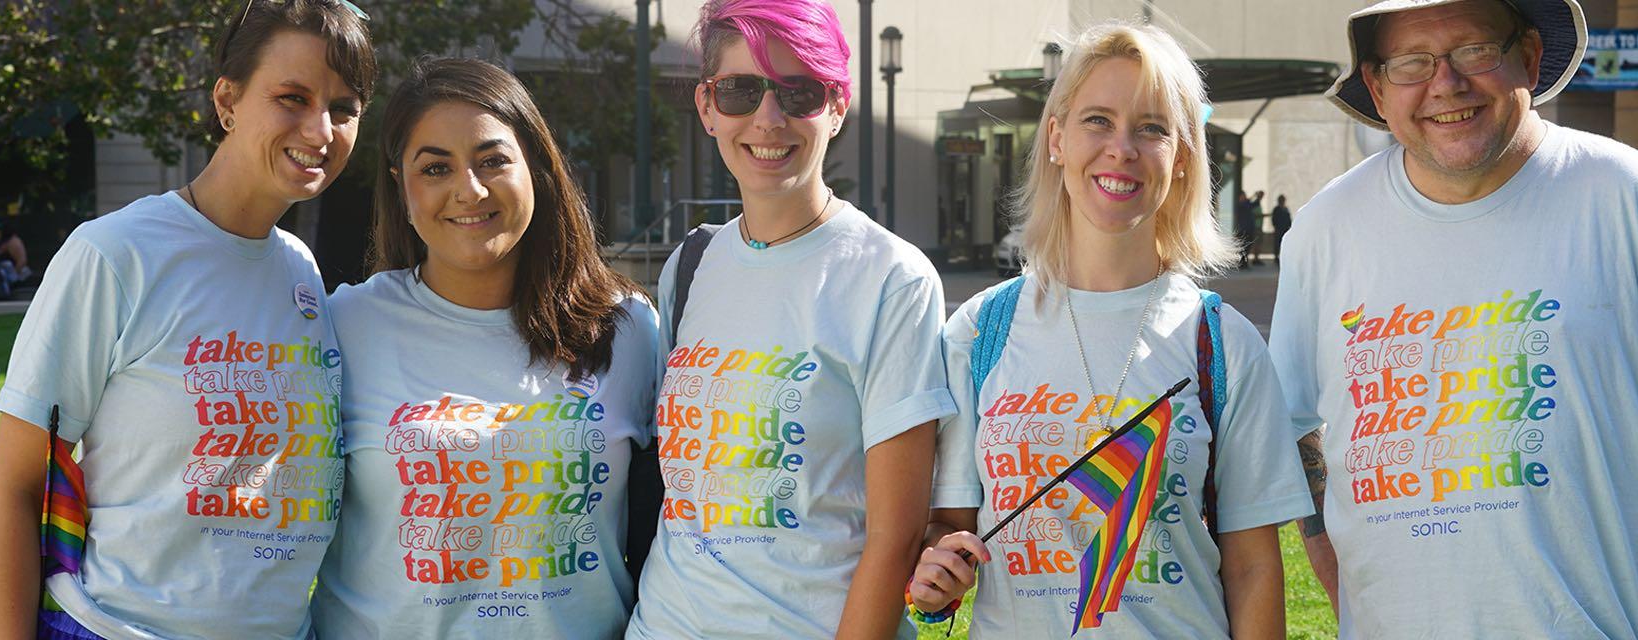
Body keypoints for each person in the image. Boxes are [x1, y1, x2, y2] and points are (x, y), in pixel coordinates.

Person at [1269, 0, 1638, 637]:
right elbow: (1294, 422)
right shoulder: (1325, 230)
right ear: (1376, 85)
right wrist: (1338, 577)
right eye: (1412, 62)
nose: (1446, 84)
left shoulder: (1631, 198)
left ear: (1528, 57)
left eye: (1474, 50)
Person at [0, 2, 374, 638]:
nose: (320, 129)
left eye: (344, 107)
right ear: (227, 101)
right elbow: (14, 484)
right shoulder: (115, 253)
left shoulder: (300, 269)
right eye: (292, 97)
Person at [906, 23, 1311, 639]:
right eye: (1098, 120)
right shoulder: (980, 331)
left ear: (1182, 158)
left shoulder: (1222, 342)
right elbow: (949, 524)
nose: (1122, 149)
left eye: (1152, 128)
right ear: (1056, 138)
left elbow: (1254, 568)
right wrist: (938, 569)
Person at [625, 0, 952, 637]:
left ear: (837, 106)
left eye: (799, 92)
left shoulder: (891, 278)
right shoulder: (691, 264)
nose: (768, 119)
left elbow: (895, 538)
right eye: (740, 91)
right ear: (707, 107)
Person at [309, 57, 656, 639]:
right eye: (435, 168)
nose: (468, 190)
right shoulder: (343, 325)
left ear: (536, 166)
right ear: (401, 187)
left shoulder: (627, 329)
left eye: (493, 160)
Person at [1236, 191, 1264, 268]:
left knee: (1248, 247)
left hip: (1249, 229)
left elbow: (1254, 204)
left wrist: (1258, 198)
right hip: (1243, 229)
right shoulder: (1240, 205)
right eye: (1243, 196)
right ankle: (1242, 263)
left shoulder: (1247, 204)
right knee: (1243, 247)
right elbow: (1247, 204)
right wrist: (1253, 196)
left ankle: (1244, 263)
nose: (1245, 197)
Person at [1267, 195, 1292, 261]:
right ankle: (1276, 257)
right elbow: (1274, 219)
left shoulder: (1286, 208)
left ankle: (1284, 256)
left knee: (1285, 243)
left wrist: (1289, 226)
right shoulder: (1276, 209)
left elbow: (1288, 218)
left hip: (1285, 229)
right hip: (1279, 229)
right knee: (1277, 243)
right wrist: (1275, 226)